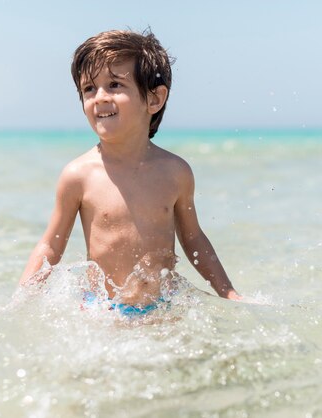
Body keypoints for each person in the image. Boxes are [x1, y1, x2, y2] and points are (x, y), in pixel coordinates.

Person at [19, 29, 240, 312]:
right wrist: (21, 299)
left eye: (114, 85)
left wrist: (228, 292)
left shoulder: (175, 172)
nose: (99, 97)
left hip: (162, 306)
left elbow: (193, 238)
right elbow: (50, 246)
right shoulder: (79, 175)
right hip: (103, 310)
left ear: (154, 99)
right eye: (89, 88)